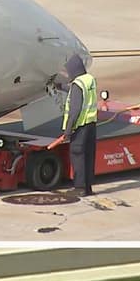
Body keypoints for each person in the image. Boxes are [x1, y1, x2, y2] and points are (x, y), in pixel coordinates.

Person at [46, 53, 98, 196]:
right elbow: (77, 92)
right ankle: (87, 187)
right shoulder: (89, 80)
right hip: (91, 124)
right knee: (88, 156)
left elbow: (74, 111)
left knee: (77, 155)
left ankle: (79, 188)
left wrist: (68, 131)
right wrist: (61, 86)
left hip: (80, 126)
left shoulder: (77, 84)